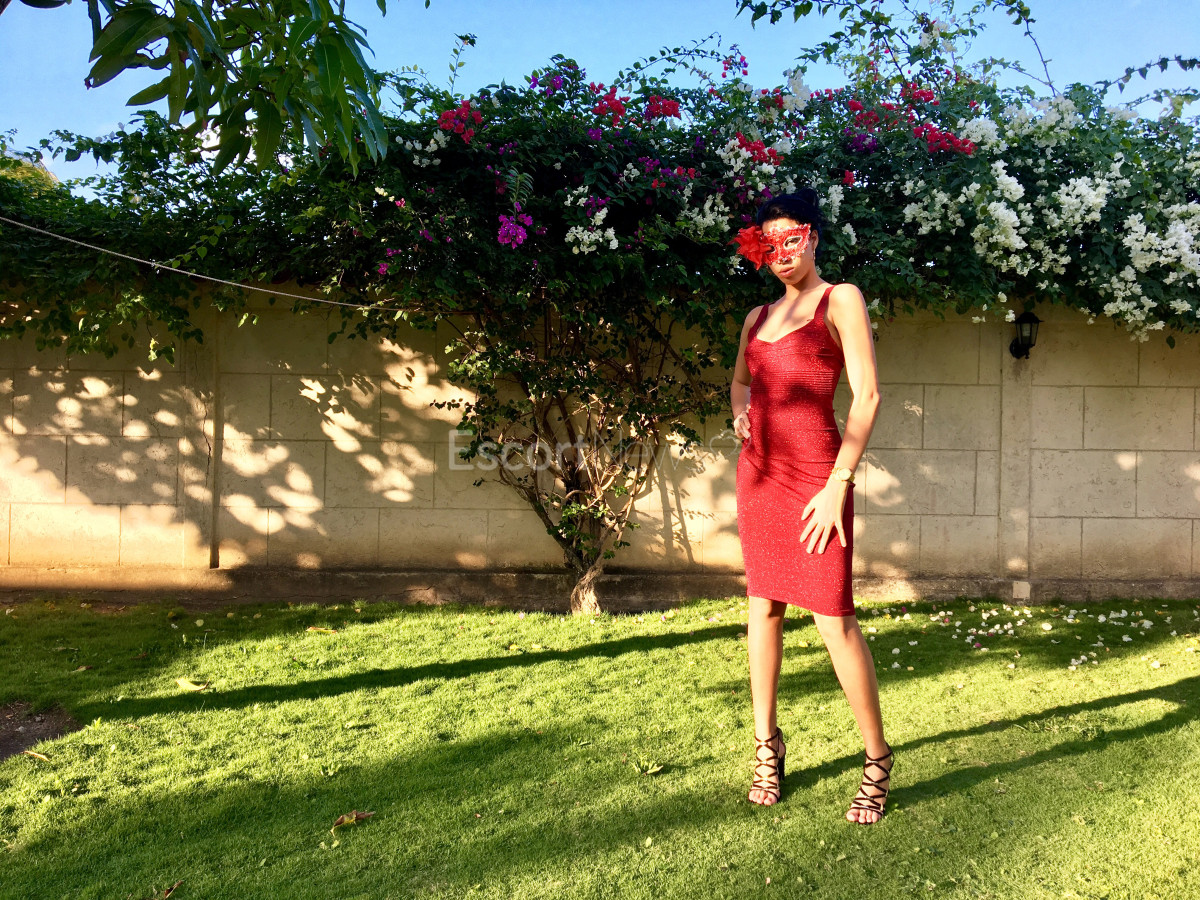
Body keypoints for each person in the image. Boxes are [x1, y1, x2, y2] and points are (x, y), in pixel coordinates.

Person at [730, 189, 891, 823]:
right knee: (763, 607)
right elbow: (740, 381)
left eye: (791, 239)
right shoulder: (757, 315)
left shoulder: (840, 298)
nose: (781, 252)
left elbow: (868, 395)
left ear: (813, 237)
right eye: (768, 244)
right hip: (760, 477)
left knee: (833, 619)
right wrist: (740, 411)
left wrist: (837, 485)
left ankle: (877, 758)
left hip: (819, 479)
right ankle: (766, 746)